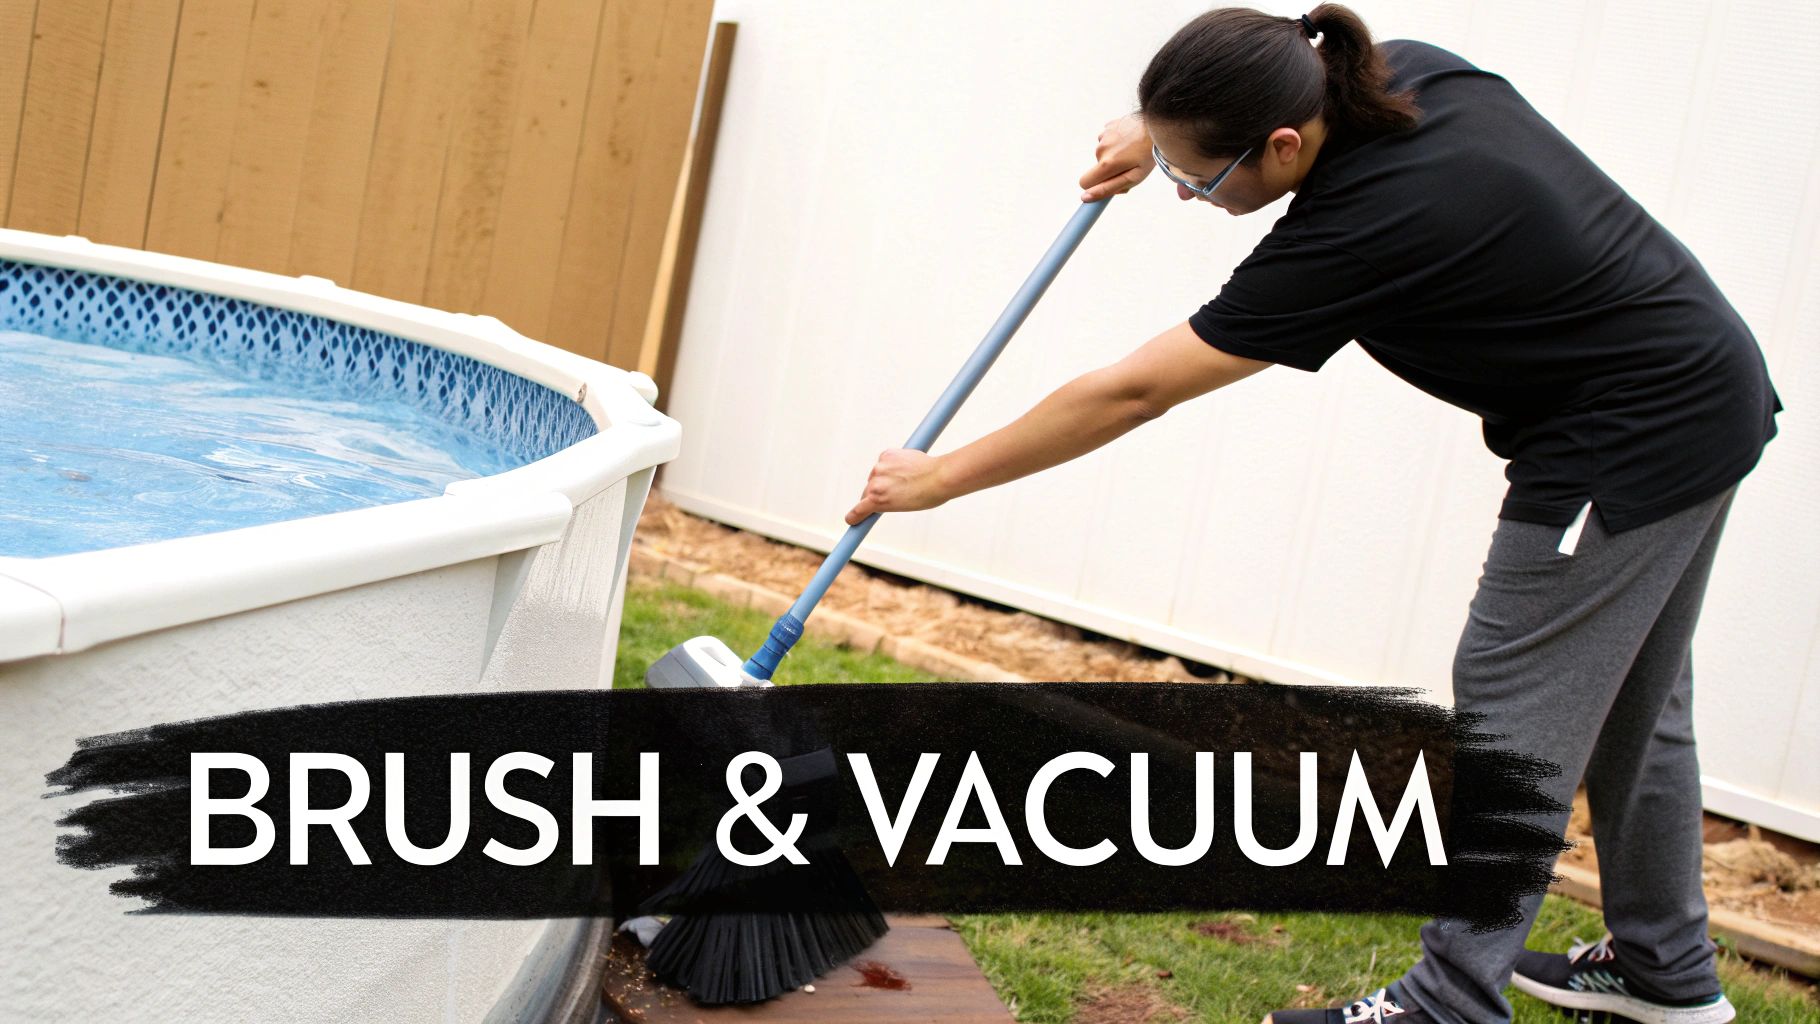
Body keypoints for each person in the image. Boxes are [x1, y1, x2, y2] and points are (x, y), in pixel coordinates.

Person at [843, 5, 1782, 1024]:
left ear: (1281, 145)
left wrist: (941, 478)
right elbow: (1244, 96)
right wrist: (1148, 130)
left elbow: (1131, 391)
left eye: (1193, 178)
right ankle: (1663, 973)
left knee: (1513, 707)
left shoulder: (1359, 228)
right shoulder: (1392, 73)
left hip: (1629, 435)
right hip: (1699, 384)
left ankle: (1449, 1001)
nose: (1182, 192)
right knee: (1636, 712)